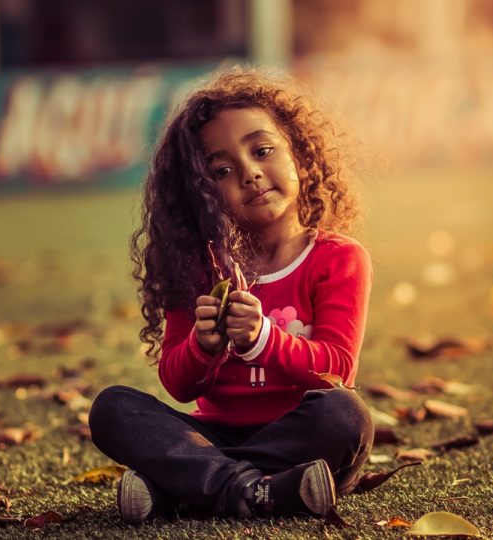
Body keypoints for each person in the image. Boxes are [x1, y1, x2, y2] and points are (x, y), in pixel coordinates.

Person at [88, 66, 374, 524]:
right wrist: (205, 347)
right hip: (213, 437)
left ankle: (186, 492)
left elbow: (337, 370)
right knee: (113, 407)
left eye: (262, 151)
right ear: (201, 193)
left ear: (299, 154)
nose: (250, 174)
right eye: (222, 170)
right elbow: (180, 386)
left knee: (345, 415)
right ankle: (259, 491)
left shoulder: (338, 259)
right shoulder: (198, 267)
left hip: (302, 436)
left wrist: (263, 338)